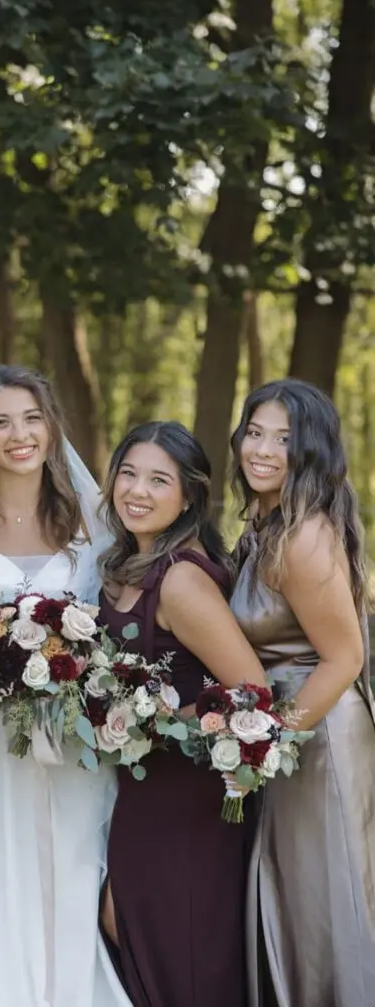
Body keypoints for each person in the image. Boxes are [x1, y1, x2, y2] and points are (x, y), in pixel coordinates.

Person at [0, 365, 128, 1007]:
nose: (19, 435)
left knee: (70, 869)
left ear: (51, 427)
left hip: (68, 740)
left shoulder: (95, 520)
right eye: (1, 423)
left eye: (32, 419)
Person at [98, 421, 267, 1007]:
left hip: (186, 790)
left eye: (158, 480)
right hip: (143, 785)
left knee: (179, 944)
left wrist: (154, 719)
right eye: (128, 473)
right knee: (129, 926)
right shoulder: (129, 562)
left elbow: (251, 690)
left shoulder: (182, 580)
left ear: (190, 496)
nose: (137, 490)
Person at [228, 379, 375, 1007]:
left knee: (327, 906)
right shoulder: (267, 525)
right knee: (297, 900)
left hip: (319, 737)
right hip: (290, 732)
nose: (262, 450)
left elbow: (345, 658)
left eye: (283, 439)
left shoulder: (304, 537)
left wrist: (267, 745)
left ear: (310, 450)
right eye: (254, 433)